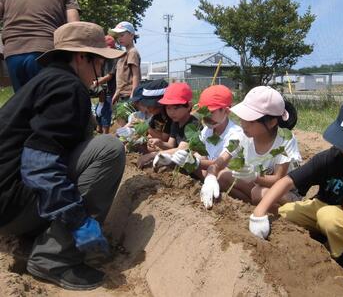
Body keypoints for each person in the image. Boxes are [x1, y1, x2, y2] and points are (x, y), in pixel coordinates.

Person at [0, 22, 126, 290]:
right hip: (9, 205)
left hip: (6, 199)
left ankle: (38, 232)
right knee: (108, 149)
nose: (102, 71)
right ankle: (54, 258)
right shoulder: (67, 88)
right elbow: (39, 166)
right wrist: (78, 221)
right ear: (82, 57)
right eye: (100, 62)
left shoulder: (45, 81)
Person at [249, 95, 343, 272]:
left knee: (329, 217)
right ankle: (320, 238)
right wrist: (258, 213)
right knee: (286, 212)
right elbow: (288, 181)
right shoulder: (332, 157)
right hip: (322, 208)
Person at [200, 86, 301, 209]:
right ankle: (250, 207)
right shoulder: (242, 136)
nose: (244, 124)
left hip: (284, 192)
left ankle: (279, 214)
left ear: (271, 122)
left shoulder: (285, 139)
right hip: (255, 186)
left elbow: (279, 179)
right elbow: (218, 163)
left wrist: (255, 176)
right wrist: (210, 177)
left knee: (259, 193)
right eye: (243, 118)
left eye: (251, 121)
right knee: (223, 176)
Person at [160, 85, 243, 179]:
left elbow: (222, 164)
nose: (206, 117)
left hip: (228, 179)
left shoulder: (235, 135)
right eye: (203, 112)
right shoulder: (208, 130)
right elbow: (201, 156)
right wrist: (175, 159)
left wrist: (194, 162)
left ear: (226, 111)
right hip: (208, 176)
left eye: (211, 112)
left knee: (222, 175)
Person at [0, 0, 80, 92]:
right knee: (50, 101)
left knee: (23, 102)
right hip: (46, 50)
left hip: (13, 52)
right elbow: (74, 26)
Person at [138, 82, 199, 168]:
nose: (171, 112)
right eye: (168, 108)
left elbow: (181, 149)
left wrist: (152, 155)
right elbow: (171, 145)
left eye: (176, 108)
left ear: (189, 106)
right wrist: (160, 143)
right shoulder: (176, 122)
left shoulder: (193, 124)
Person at [108, 21, 141, 104]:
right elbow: (121, 77)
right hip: (122, 94)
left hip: (129, 94)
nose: (119, 38)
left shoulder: (132, 52)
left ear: (131, 35)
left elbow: (135, 75)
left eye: (122, 35)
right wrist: (117, 92)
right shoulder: (124, 54)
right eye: (117, 36)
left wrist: (133, 94)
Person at [94, 35, 118, 134]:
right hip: (102, 90)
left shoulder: (112, 59)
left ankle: (105, 134)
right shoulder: (102, 58)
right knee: (98, 110)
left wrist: (97, 82)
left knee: (105, 111)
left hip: (110, 91)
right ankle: (99, 129)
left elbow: (109, 76)